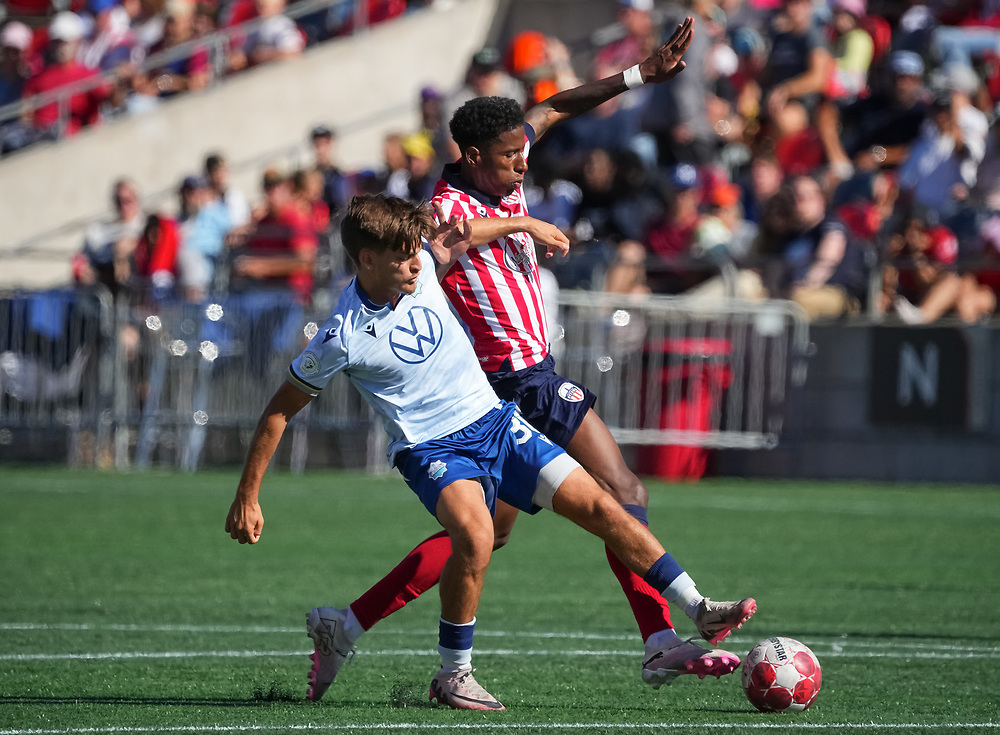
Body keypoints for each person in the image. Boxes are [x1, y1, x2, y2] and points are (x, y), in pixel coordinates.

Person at [307, 14, 755, 701]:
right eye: (511, 153)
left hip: (526, 377)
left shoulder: (503, 167)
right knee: (624, 493)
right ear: (473, 154)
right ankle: (662, 639)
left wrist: (641, 73)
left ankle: (348, 622)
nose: (524, 159)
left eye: (523, 148)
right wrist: (520, 220)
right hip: (509, 383)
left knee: (484, 538)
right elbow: (444, 237)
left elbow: (556, 105)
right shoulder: (445, 206)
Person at [224, 193, 755, 711]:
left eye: (417, 251)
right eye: (403, 256)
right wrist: (248, 496)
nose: (416, 263)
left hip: (495, 423)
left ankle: (699, 608)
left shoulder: (423, 266)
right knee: (477, 535)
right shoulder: (342, 337)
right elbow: (278, 411)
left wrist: (522, 223)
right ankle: (454, 674)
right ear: (366, 260)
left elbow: (458, 236)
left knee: (601, 506)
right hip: (432, 447)